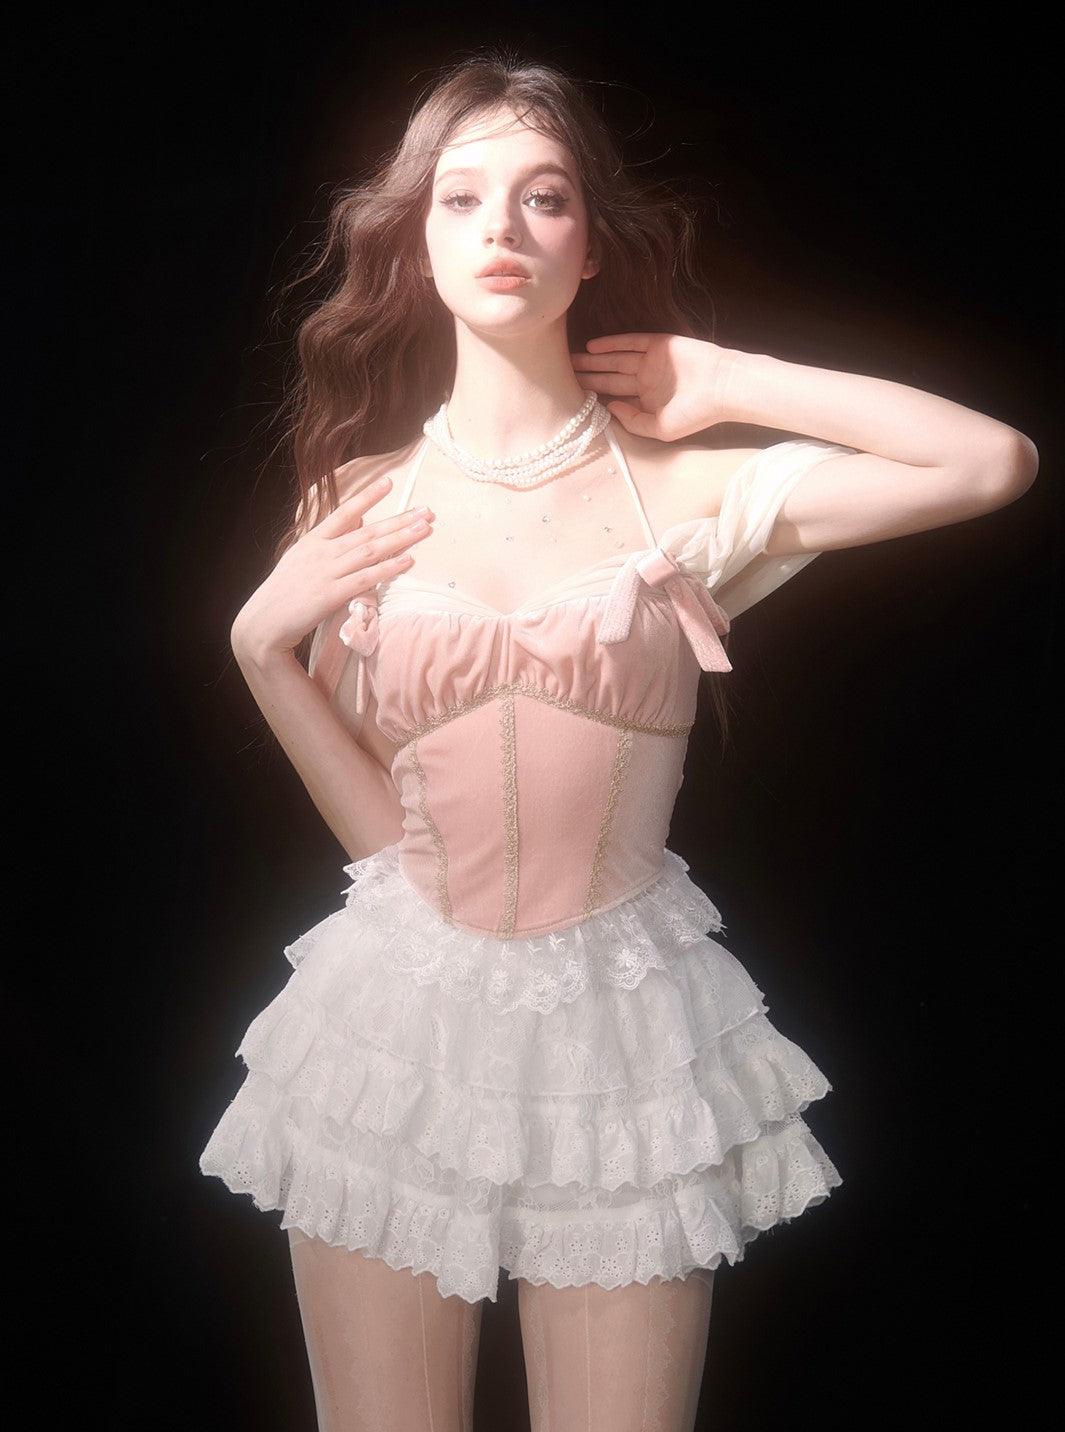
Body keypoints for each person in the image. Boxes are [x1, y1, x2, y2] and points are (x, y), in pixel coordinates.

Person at [198, 53, 1038, 1432]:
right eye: (461, 199)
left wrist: (725, 378)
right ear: (417, 245)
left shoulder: (678, 491)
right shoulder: (357, 499)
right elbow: (387, 849)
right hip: (396, 1025)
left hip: (620, 1029)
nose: (502, 229)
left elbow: (987, 462)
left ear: (589, 245)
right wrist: (258, 654)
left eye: (544, 199)